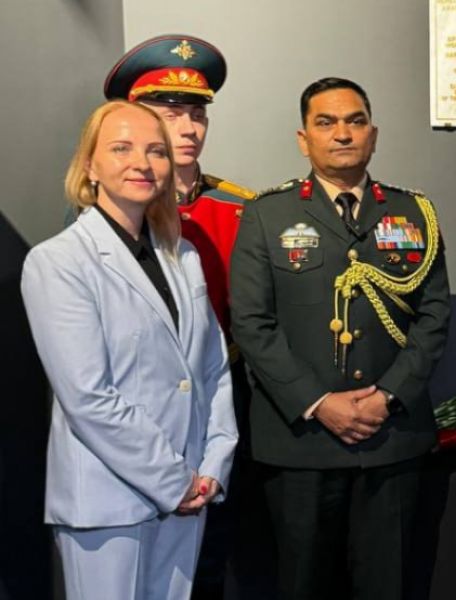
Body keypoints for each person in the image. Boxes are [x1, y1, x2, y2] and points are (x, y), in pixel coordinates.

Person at [230, 77, 450, 600]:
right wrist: (318, 402)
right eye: (325, 123)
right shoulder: (267, 214)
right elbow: (252, 323)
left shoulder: (413, 213)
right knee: (301, 586)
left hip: (390, 439)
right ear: (303, 138)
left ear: (373, 134)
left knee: (389, 586)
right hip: (301, 443)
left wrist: (387, 395)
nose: (343, 134)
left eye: (355, 121)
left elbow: (434, 315)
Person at [21, 100, 237, 600]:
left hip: (190, 491)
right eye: (122, 148)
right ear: (90, 166)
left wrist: (213, 465)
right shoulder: (58, 262)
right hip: (108, 500)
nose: (142, 162)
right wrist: (174, 481)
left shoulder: (182, 255)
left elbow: (212, 369)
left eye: (156, 151)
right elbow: (87, 396)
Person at [102, 34, 260, 599]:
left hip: (224, 388)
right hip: (139, 393)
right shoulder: (113, 212)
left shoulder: (241, 208)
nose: (188, 128)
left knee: (218, 543)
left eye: (196, 114)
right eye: (170, 114)